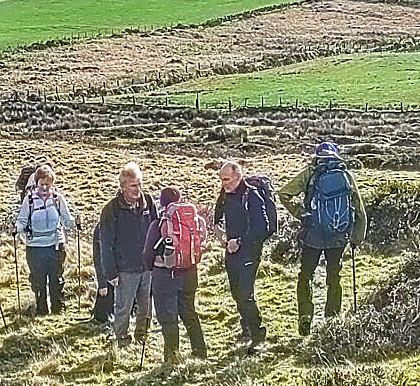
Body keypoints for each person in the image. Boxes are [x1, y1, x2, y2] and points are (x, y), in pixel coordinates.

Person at [278, 141, 367, 337]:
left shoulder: (311, 172)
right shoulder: (346, 175)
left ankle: (305, 316)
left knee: (306, 275)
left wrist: (300, 213)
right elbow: (360, 210)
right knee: (334, 276)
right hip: (339, 236)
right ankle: (332, 319)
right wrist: (356, 238)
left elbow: (284, 193)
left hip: (313, 235)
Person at [143, 187, 207, 363]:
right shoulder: (194, 220)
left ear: (161, 203)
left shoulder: (159, 223)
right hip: (190, 272)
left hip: (165, 276)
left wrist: (150, 267)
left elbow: (148, 253)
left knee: (168, 317)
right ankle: (200, 350)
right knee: (189, 312)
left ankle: (172, 356)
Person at [99, 162, 157, 348]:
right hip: (125, 270)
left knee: (146, 306)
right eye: (133, 185)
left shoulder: (148, 202)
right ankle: (122, 339)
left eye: (139, 184)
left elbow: (157, 230)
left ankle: (142, 336)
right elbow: (106, 244)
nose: (137, 189)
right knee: (123, 307)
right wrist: (111, 273)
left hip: (147, 267)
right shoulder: (111, 210)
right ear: (122, 186)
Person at [216, 160, 270, 353]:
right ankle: (246, 327)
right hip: (231, 252)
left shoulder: (252, 196)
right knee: (236, 293)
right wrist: (218, 230)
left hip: (249, 251)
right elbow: (218, 214)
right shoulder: (225, 194)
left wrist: (239, 241)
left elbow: (262, 227)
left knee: (246, 295)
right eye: (222, 180)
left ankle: (258, 336)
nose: (224, 183)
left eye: (227, 179)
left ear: (238, 176)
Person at [16, 164, 77, 316]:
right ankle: (41, 310)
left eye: (47, 184)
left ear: (52, 184)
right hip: (35, 246)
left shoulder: (58, 199)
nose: (44, 187)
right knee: (38, 280)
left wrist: (76, 222)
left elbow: (67, 219)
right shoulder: (29, 200)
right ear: (36, 183)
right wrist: (16, 228)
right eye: (41, 184)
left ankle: (58, 309)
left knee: (56, 278)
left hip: (56, 244)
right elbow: (22, 220)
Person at [91, 223, 115, 328]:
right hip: (108, 275)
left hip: (124, 271)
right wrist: (102, 284)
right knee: (102, 314)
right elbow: (98, 257)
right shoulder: (102, 228)